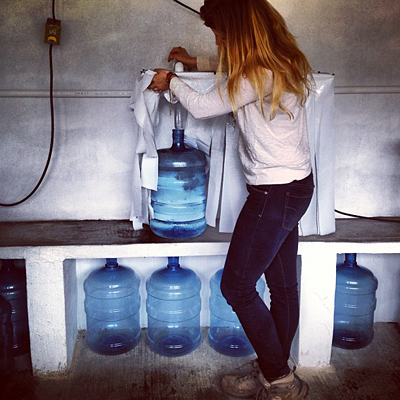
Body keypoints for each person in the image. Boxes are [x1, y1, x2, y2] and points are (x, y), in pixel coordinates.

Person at [148, 0, 314, 398]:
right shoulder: (279, 60)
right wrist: (195, 60)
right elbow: (231, 69)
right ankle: (276, 368)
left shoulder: (256, 74)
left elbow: (205, 107)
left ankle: (280, 380)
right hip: (297, 188)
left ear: (239, 34)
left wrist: (170, 80)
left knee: (237, 288)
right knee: (282, 285)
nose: (218, 41)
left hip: (274, 195)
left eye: (221, 35)